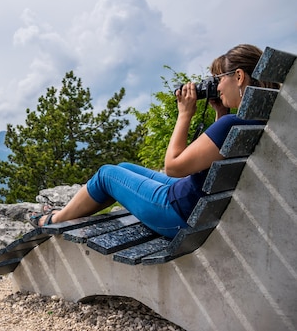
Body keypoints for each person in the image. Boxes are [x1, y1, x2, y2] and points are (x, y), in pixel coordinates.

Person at [30, 44, 277, 238]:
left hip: (175, 212)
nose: (216, 85)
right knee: (124, 168)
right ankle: (62, 214)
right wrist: (220, 113)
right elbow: (211, 156)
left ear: (239, 76)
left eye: (218, 78)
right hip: (200, 205)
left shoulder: (231, 125)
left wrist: (185, 114)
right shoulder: (255, 120)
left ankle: (53, 220)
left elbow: (173, 167)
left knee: (107, 174)